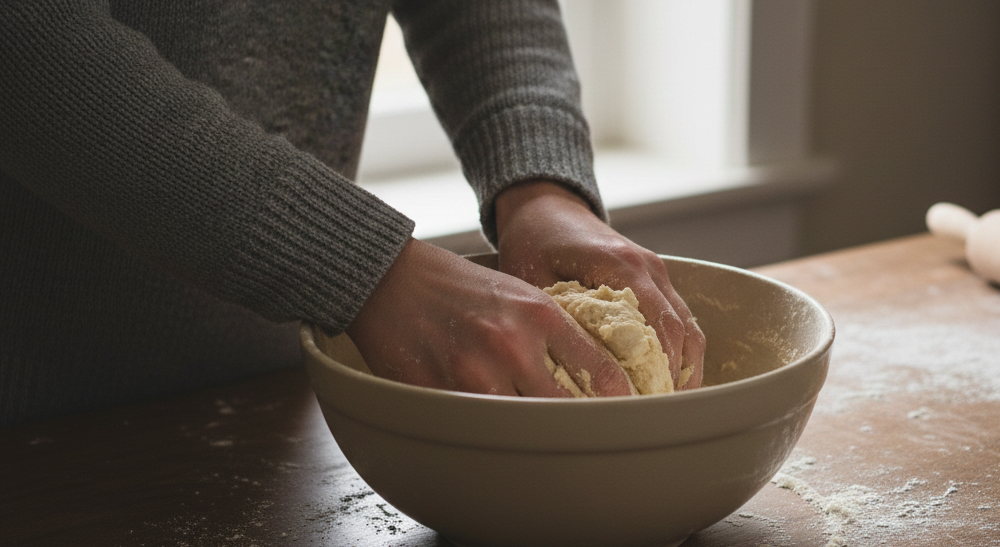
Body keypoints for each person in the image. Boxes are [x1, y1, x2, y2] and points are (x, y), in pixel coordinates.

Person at [0, 0, 705, 427]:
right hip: (37, 414)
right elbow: (26, 44)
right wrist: (360, 267)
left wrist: (541, 182)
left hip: (274, 384)